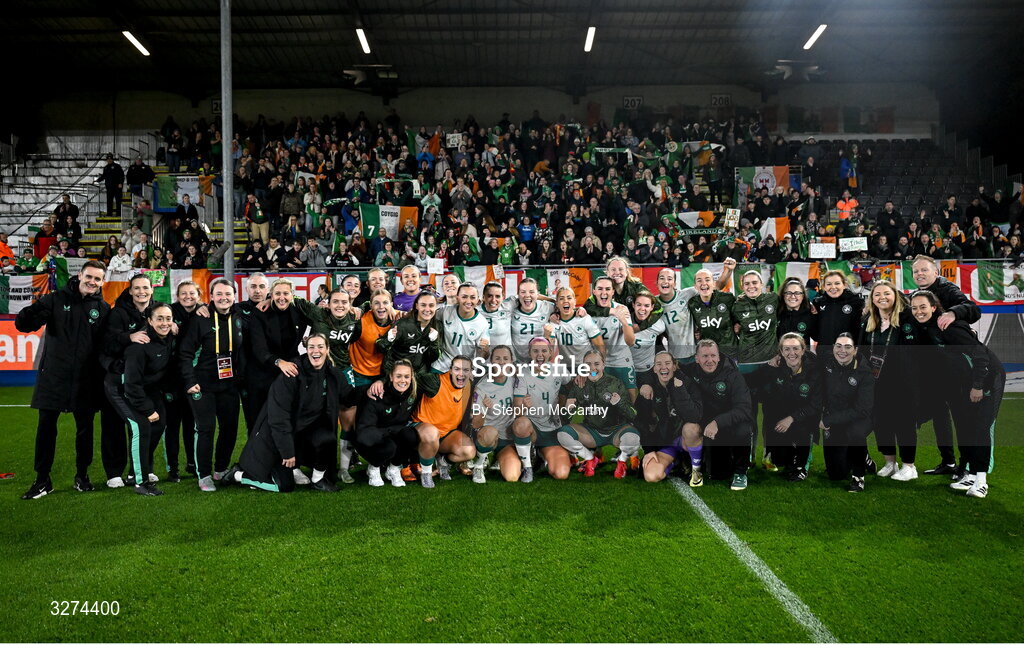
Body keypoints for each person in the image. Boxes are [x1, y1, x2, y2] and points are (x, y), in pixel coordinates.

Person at [17, 261, 110, 499]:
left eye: (98, 279)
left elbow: (106, 344)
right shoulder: (56, 299)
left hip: (86, 380)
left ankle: (82, 476)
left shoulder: (103, 307)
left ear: (102, 282)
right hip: (54, 377)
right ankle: (42, 480)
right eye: (89, 276)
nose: (92, 282)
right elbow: (25, 323)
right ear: (80, 275)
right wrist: (31, 314)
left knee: (85, 430)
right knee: (46, 429)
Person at [223, 334, 348, 493]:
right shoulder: (291, 373)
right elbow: (278, 419)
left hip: (300, 434)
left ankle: (317, 479)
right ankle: (238, 475)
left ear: (327, 349)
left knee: (327, 438)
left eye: (320, 347)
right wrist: (288, 452)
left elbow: (348, 395)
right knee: (284, 486)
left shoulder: (332, 372)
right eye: (311, 347)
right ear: (306, 349)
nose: (316, 351)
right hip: (276, 439)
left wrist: (375, 388)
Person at [910, 291, 1004, 499]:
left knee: (980, 428)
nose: (918, 311)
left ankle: (981, 481)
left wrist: (978, 385)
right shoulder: (928, 328)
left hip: (988, 378)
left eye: (923, 306)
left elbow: (979, 354)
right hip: (965, 384)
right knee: (966, 427)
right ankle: (969, 474)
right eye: (914, 308)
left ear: (934, 307)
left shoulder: (950, 327)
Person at [910, 255, 982, 475]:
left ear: (936, 272)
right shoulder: (914, 296)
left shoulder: (948, 289)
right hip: (932, 371)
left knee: (961, 418)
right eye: (916, 272)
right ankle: (948, 462)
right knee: (939, 417)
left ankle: (966, 465)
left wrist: (953, 312)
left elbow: (972, 309)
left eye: (924, 270)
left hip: (955, 369)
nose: (920, 274)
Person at [179, 278, 246, 492]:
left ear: (234, 296)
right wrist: (190, 381)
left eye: (228, 294)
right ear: (211, 296)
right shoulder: (201, 318)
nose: (223, 298)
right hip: (202, 384)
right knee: (206, 429)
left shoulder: (240, 315)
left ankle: (220, 468)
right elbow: (185, 353)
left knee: (230, 428)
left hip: (229, 384)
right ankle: (204, 474)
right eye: (219, 294)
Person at [104, 303, 175, 496]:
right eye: (159, 318)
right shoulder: (139, 347)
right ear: (149, 321)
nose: (164, 323)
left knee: (159, 424)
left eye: (168, 318)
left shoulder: (168, 338)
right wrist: (147, 409)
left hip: (146, 387)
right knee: (141, 426)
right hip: (121, 388)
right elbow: (131, 385)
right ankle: (140, 481)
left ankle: (135, 472)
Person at [99, 275, 155, 487]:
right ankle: (114, 472)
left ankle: (141, 469)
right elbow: (106, 344)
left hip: (143, 380)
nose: (142, 292)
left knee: (145, 424)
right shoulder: (118, 313)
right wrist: (129, 336)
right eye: (137, 288)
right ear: (130, 291)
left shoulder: (157, 310)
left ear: (151, 290)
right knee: (113, 425)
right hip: (117, 377)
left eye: (145, 288)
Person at [860, 281, 919, 481]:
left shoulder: (906, 318)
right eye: (877, 294)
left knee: (904, 424)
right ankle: (889, 462)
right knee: (881, 424)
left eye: (886, 293)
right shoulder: (869, 320)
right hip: (875, 383)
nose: (882, 297)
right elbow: (861, 350)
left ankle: (909, 466)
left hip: (902, 384)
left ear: (895, 296)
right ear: (872, 299)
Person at [682, 340, 754, 490]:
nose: (710, 360)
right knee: (718, 473)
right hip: (705, 424)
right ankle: (691, 465)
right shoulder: (690, 371)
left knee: (744, 428)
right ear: (697, 358)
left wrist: (717, 422)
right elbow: (667, 367)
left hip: (728, 424)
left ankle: (741, 472)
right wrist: (647, 384)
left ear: (719, 357)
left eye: (713, 355)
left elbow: (745, 408)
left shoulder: (733, 375)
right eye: (705, 356)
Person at [557, 350, 641, 478]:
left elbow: (632, 415)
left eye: (596, 363)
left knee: (633, 439)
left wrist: (619, 403)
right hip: (592, 432)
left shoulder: (615, 383)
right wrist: (568, 409)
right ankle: (590, 458)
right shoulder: (580, 384)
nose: (592, 368)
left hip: (616, 431)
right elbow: (567, 417)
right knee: (562, 434)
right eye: (588, 364)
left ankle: (622, 461)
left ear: (603, 365)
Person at [755, 334, 821, 480]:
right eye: (787, 349)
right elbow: (755, 383)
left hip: (804, 418)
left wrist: (791, 418)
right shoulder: (775, 367)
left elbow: (815, 406)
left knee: (803, 427)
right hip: (782, 418)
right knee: (779, 460)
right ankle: (789, 459)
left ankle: (802, 465)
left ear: (803, 350)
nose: (792, 353)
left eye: (796, 348)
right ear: (781, 352)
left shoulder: (815, 371)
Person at [248, 279, 308, 438]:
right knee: (259, 422)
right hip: (262, 374)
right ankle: (255, 460)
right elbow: (259, 349)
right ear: (271, 295)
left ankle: (287, 458)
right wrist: (279, 362)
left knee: (287, 419)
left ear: (292, 295)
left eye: (286, 293)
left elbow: (320, 317)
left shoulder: (298, 311)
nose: (282, 297)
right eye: (277, 293)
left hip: (288, 375)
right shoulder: (260, 312)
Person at [510, 338, 574, 480]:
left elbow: (573, 385)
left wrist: (568, 400)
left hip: (552, 428)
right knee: (521, 424)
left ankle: (540, 453)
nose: (540, 355)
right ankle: (528, 467)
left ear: (551, 352)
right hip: (532, 428)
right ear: (529, 353)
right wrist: (523, 406)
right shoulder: (523, 374)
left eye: (544, 350)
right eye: (536, 351)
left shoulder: (559, 370)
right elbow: (517, 412)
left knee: (561, 474)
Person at [352, 361, 421, 488]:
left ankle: (393, 469)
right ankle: (373, 468)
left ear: (412, 378)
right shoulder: (377, 392)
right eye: (398, 376)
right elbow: (364, 433)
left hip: (390, 434)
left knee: (411, 435)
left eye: (406, 376)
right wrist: (378, 382)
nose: (403, 380)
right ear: (390, 377)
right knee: (389, 446)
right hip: (369, 438)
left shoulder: (413, 392)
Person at [639, 352, 704, 485]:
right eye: (659, 364)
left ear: (674, 366)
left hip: (686, 440)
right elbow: (641, 421)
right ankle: (676, 463)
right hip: (667, 443)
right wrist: (649, 451)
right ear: (654, 369)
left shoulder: (687, 383)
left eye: (668, 363)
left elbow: (694, 416)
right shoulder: (648, 389)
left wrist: (679, 390)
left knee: (691, 429)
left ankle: (696, 469)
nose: (664, 367)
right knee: (651, 475)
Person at [820, 333, 874, 492]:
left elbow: (862, 409)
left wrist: (828, 420)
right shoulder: (826, 363)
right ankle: (861, 456)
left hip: (860, 418)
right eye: (838, 346)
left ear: (855, 350)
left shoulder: (864, 371)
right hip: (834, 417)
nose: (842, 350)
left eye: (848, 347)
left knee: (855, 433)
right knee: (835, 474)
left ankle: (859, 477)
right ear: (833, 348)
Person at [411, 356, 475, 487]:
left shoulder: (468, 385)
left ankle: (443, 462)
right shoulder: (435, 381)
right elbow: (409, 378)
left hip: (446, 434)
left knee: (469, 451)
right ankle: (426, 474)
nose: (461, 374)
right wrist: (381, 383)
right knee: (432, 433)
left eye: (466, 370)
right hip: (422, 431)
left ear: (471, 372)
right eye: (457, 369)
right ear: (450, 370)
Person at [471, 346, 529, 482]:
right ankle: (479, 465)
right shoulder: (482, 387)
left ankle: (499, 459)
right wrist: (484, 409)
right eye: (497, 358)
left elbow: (519, 413)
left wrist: (525, 406)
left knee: (512, 477)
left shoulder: (516, 381)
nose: (501, 362)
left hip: (507, 438)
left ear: (511, 361)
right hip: (488, 436)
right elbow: (475, 424)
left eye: (505, 359)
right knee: (490, 432)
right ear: (491, 361)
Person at [584, 276, 637, 400]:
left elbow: (630, 342)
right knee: (597, 396)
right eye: (600, 289)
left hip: (621, 359)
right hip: (596, 362)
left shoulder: (621, 308)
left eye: (608, 289)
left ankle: (629, 419)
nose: (604, 292)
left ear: (613, 291)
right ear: (594, 291)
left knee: (630, 395)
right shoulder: (586, 311)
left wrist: (623, 321)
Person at [378, 290, 442, 378]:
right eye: (423, 305)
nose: (427, 309)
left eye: (431, 305)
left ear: (436, 307)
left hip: (418, 377)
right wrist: (389, 340)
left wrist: (434, 342)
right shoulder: (403, 324)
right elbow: (379, 346)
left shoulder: (438, 326)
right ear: (416, 306)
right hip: (396, 375)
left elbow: (433, 358)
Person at [431, 283, 491, 373]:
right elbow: (426, 316)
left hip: (463, 369)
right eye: (464, 297)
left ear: (478, 300)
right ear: (457, 298)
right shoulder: (445, 311)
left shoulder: (482, 324)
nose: (468, 301)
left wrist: (485, 350)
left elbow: (484, 355)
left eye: (472, 297)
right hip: (441, 365)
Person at [687, 268, 737, 357]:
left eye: (707, 279)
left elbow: (738, 318)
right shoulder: (692, 304)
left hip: (730, 353)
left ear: (714, 284)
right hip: (708, 355)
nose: (703, 283)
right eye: (699, 280)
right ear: (695, 286)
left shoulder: (727, 298)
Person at [550, 287, 605, 367]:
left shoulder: (584, 319)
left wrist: (600, 367)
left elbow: (600, 346)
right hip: (566, 369)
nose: (565, 301)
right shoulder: (554, 322)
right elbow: (549, 350)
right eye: (561, 298)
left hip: (587, 367)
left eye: (569, 298)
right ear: (557, 303)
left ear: (575, 301)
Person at [813, 270, 864, 347]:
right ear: (824, 287)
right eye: (829, 284)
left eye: (837, 283)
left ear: (844, 285)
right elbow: (813, 328)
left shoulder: (856, 302)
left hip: (847, 351)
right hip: (824, 352)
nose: (833, 287)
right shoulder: (818, 303)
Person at [629, 292, 667, 383]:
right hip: (626, 369)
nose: (642, 309)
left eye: (646, 305)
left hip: (647, 369)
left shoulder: (659, 325)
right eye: (639, 305)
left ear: (652, 307)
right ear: (633, 305)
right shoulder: (623, 322)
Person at [480, 281, 513, 348]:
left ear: (503, 297)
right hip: (484, 357)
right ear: (483, 297)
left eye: (497, 296)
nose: (493, 300)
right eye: (490, 296)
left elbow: (526, 296)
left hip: (505, 356)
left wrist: (540, 298)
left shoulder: (508, 305)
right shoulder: (475, 311)